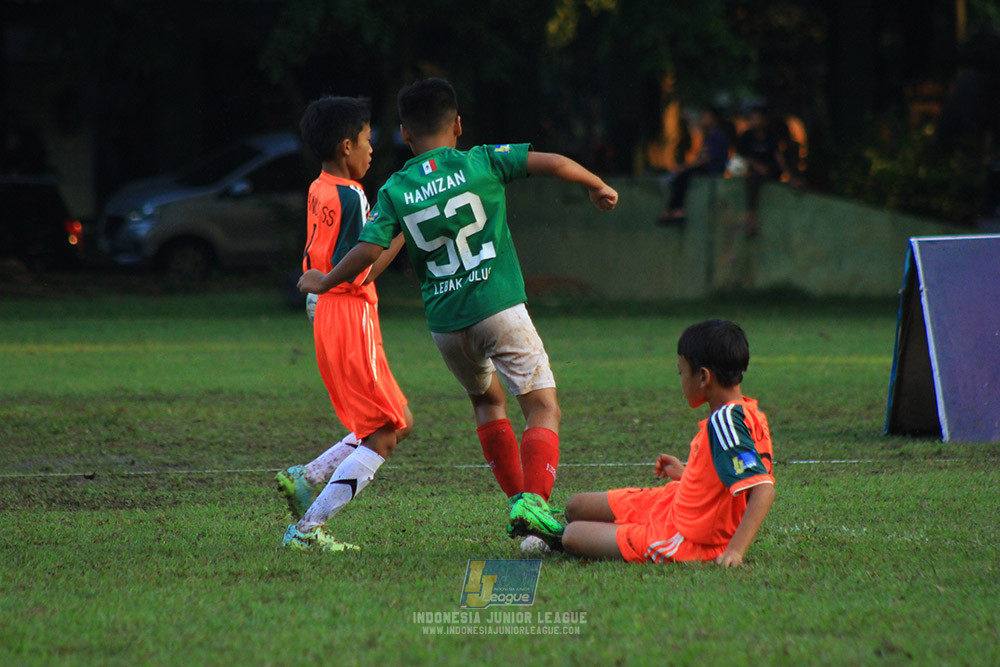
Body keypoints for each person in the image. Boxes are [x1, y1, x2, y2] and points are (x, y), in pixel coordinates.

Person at [298, 78, 618, 550]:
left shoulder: (396, 188)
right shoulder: (481, 159)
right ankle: (534, 500)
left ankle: (519, 503)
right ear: (459, 125)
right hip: (499, 308)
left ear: (405, 133)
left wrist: (327, 281)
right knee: (542, 406)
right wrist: (596, 184)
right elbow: (550, 161)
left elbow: (369, 253)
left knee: (488, 403)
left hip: (447, 325)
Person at [277, 95, 412, 552]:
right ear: (346, 146)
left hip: (328, 311)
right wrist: (403, 230)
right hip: (350, 314)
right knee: (385, 433)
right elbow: (363, 268)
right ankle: (306, 529)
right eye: (368, 140)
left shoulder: (320, 186)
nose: (372, 149)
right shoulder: (352, 195)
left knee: (397, 420)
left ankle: (307, 476)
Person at [560, 319, 775, 566]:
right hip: (675, 502)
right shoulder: (747, 413)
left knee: (572, 535)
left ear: (703, 377)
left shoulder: (726, 421)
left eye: (681, 373)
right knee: (575, 506)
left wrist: (735, 551)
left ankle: (552, 538)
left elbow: (762, 489)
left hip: (688, 536)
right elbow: (728, 476)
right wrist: (688, 475)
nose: (680, 381)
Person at [658, 107, 730, 224]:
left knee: (683, 176)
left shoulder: (716, 136)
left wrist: (685, 167)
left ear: (714, 119)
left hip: (712, 170)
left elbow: (706, 159)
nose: (703, 120)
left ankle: (677, 210)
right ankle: (673, 210)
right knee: (680, 176)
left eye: (706, 117)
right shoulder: (708, 136)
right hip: (707, 168)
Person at [737, 107, 790, 237]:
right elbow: (743, 154)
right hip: (754, 171)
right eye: (751, 119)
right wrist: (757, 166)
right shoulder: (747, 136)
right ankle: (752, 218)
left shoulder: (771, 136)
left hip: (771, 169)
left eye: (756, 118)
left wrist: (788, 174)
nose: (753, 122)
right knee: (753, 180)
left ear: (763, 120)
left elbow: (778, 155)